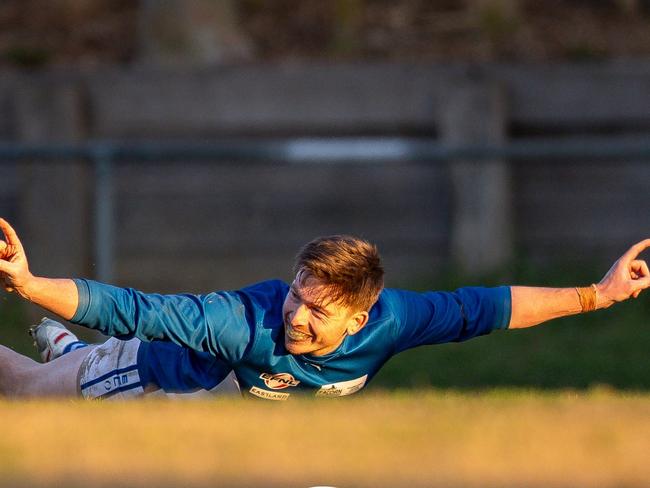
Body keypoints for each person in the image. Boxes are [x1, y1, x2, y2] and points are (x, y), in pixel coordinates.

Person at [0, 217, 648, 400]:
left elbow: (490, 307)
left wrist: (597, 294)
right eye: (295, 297)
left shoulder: (394, 322)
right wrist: (29, 283)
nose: (295, 318)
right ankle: (75, 357)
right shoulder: (243, 323)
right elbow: (137, 310)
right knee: (27, 392)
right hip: (157, 380)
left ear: (360, 320)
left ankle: (68, 349)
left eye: (316, 311)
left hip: (242, 430)